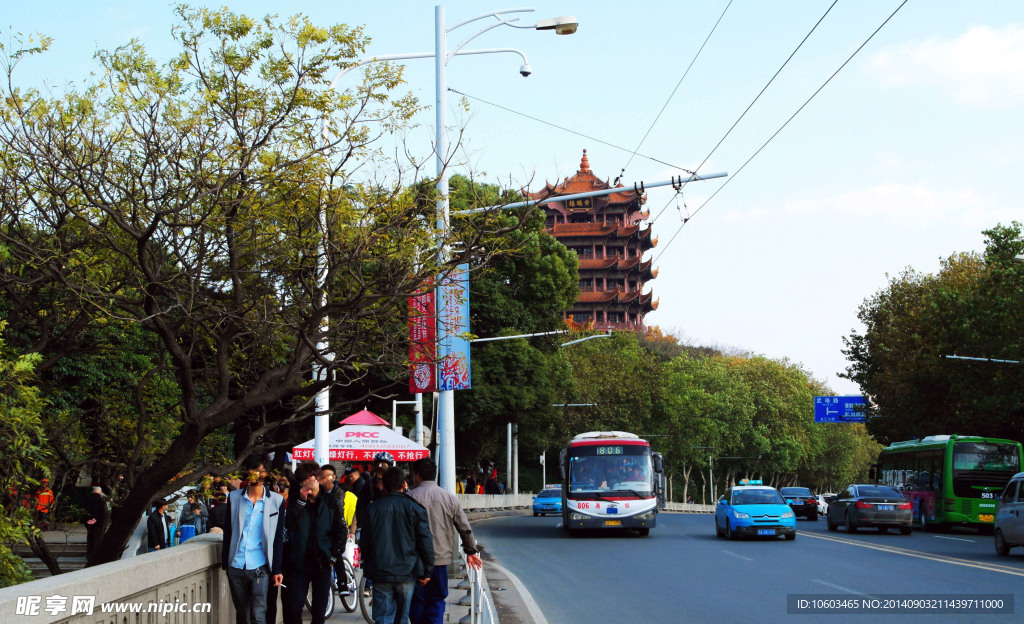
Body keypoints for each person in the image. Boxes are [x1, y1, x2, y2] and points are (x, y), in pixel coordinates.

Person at [408, 457, 482, 624]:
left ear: (417, 475)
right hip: (440, 560)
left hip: (415, 561)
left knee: (417, 601)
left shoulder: (409, 497)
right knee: (436, 599)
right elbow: (464, 527)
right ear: (435, 475)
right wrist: (470, 551)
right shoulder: (449, 498)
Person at [362, 467, 434, 624]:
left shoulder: (372, 509)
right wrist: (427, 570)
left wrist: (368, 567)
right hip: (406, 571)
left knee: (383, 616)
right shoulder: (415, 508)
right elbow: (425, 541)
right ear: (404, 484)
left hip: (381, 570)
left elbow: (365, 543)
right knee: (403, 616)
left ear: (383, 485)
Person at [222, 455, 285, 624]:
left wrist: (277, 568)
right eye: (253, 471)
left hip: (260, 566)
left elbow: (278, 537)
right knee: (242, 615)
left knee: (258, 615)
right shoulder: (234, 498)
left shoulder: (276, 501)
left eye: (261, 471)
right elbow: (228, 530)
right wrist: (225, 563)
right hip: (236, 564)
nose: (257, 475)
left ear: (267, 474)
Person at [280, 462, 347, 624]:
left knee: (319, 611)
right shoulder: (296, 499)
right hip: (299, 562)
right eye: (301, 481)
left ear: (316, 478)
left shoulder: (331, 501)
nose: (303, 484)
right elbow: (289, 524)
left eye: (306, 479)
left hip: (323, 562)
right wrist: (301, 502)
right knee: (294, 608)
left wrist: (333, 556)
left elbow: (340, 530)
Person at [85, 484, 108, 561]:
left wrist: (89, 520)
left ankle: (89, 553)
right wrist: (95, 519)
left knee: (90, 538)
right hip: (98, 523)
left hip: (89, 522)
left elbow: (85, 511)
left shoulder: (88, 499)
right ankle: (94, 554)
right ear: (100, 492)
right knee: (97, 539)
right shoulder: (101, 500)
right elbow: (103, 512)